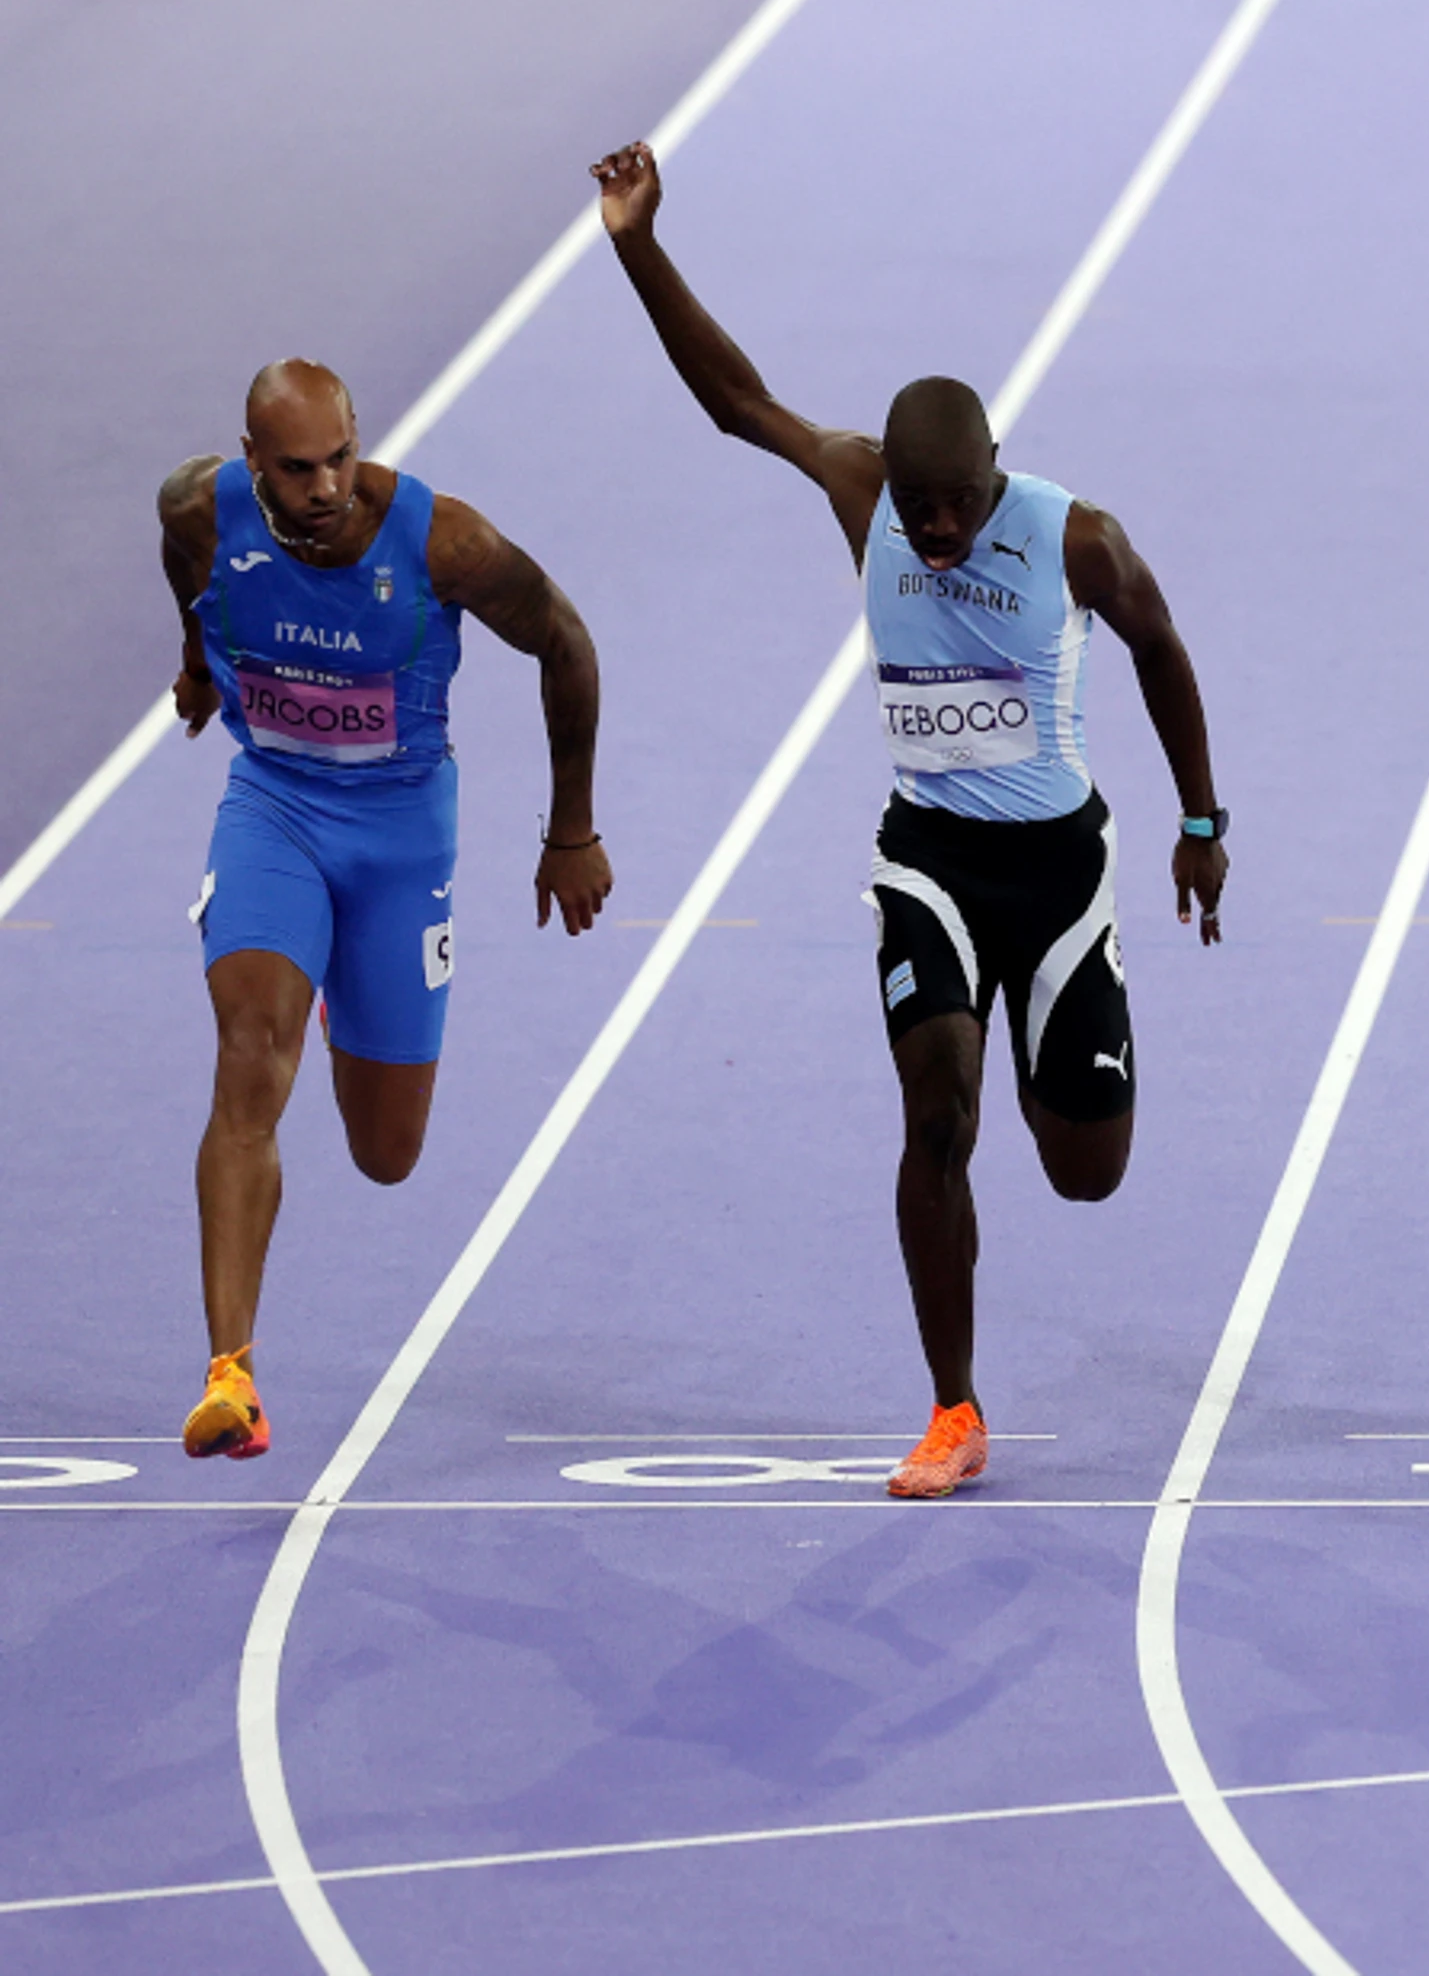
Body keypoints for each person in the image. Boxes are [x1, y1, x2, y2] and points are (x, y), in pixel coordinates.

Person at [593, 140, 1229, 1497]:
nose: (934, 531)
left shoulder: (1075, 537)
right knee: (937, 1112)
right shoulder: (860, 487)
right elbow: (736, 400)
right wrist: (637, 241)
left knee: (1086, 1175)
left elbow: (1161, 649)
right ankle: (954, 1408)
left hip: (1059, 871)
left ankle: (1087, 1032)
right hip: (928, 859)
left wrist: (1201, 819)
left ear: (998, 471)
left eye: (955, 507)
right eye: (919, 507)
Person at [164, 360, 611, 1458]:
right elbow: (189, 573)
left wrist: (571, 831)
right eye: (298, 469)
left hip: (402, 837)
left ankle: (341, 988)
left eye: (341, 459)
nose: (324, 488)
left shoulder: (443, 543)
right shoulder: (199, 508)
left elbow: (566, 641)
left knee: (386, 1149)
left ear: (358, 442)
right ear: (253, 460)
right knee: (247, 1058)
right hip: (272, 807)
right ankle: (232, 1374)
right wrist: (198, 664)